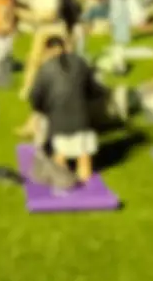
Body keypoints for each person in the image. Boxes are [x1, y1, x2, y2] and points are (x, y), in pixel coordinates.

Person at [27, 33, 102, 185]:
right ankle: (84, 179)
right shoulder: (80, 62)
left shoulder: (45, 69)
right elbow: (94, 90)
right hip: (83, 122)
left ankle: (62, 173)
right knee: (83, 156)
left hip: (58, 125)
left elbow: (35, 97)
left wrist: (39, 112)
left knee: (59, 156)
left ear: (47, 51)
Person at [19, 0, 65, 102]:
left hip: (50, 29)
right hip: (44, 29)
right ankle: (30, 91)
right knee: (33, 62)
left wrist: (29, 16)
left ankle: (31, 92)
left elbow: (51, 14)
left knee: (39, 63)